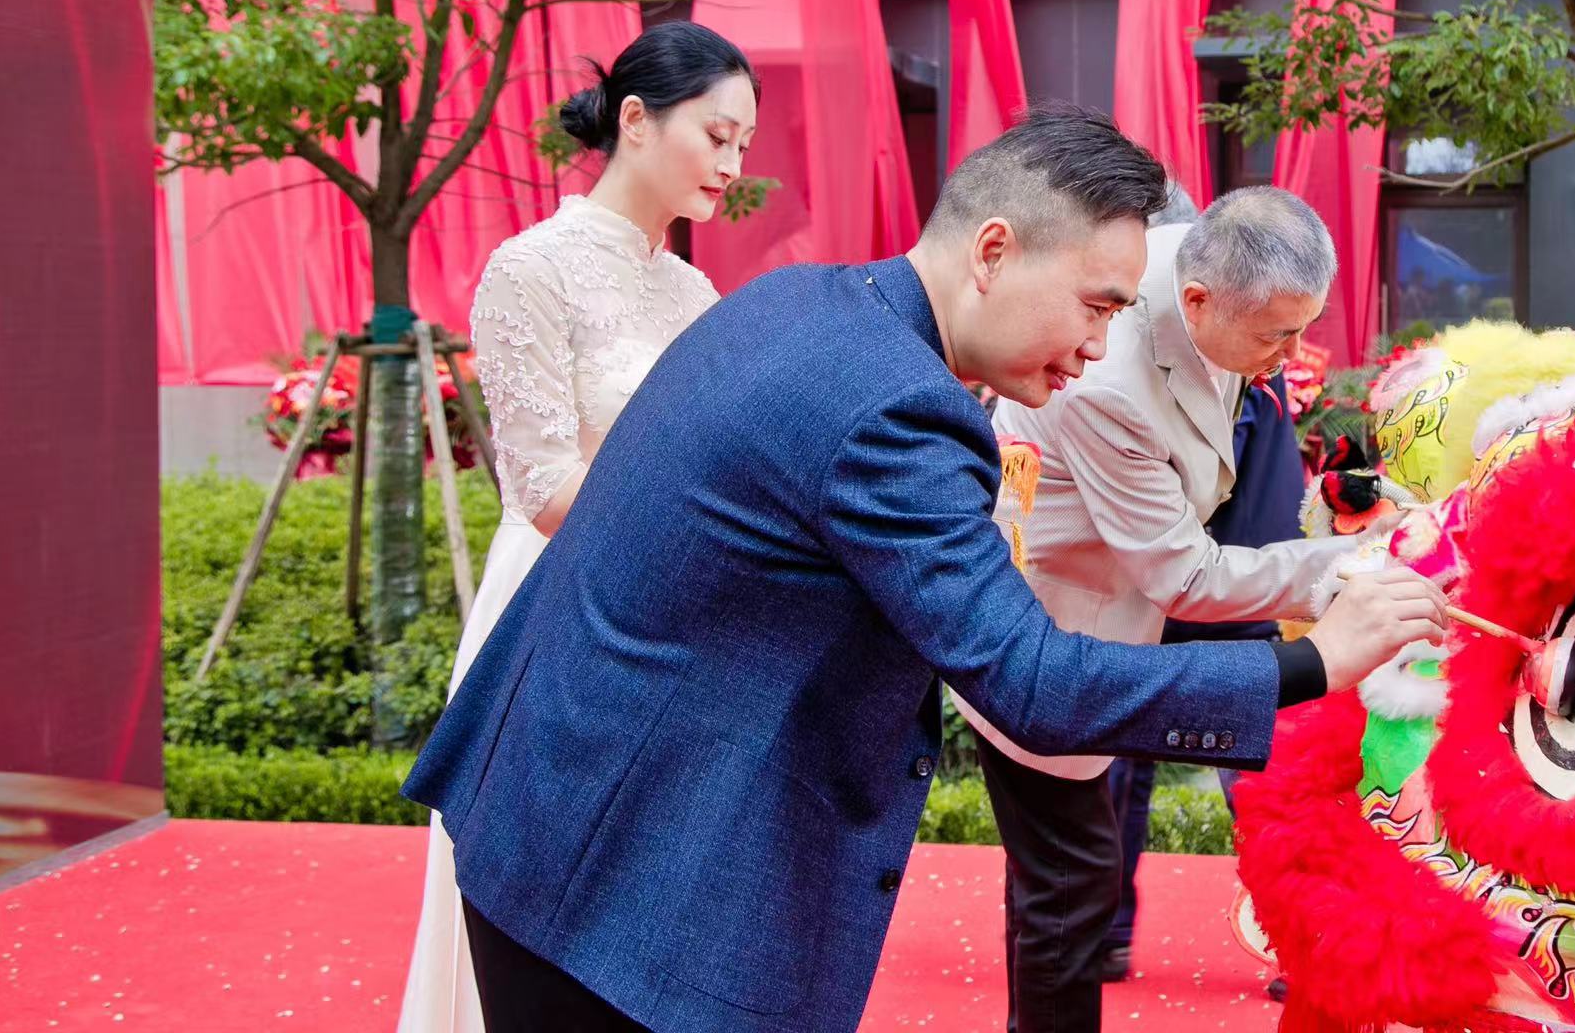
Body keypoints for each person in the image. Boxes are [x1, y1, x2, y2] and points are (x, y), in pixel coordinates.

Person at [400, 106, 1449, 1033]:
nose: (1098, 347)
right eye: (1094, 306)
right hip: (629, 870)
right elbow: (1035, 683)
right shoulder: (898, 414)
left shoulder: (805, 300)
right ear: (993, 251)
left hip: (559, 797)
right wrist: (1317, 660)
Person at [395, 20, 756, 1033]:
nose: (732, 163)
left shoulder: (693, 290)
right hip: (552, 606)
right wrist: (694, 536)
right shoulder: (529, 268)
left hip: (672, 613)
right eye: (717, 135)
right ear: (635, 119)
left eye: (743, 144)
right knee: (533, 887)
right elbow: (543, 481)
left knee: (641, 887)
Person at [956, 186, 1380, 1031]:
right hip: (1059, 622)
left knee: (1071, 873)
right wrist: (1354, 564)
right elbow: (1184, 578)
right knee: (1071, 881)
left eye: (1301, 329)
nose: (1291, 356)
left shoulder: (1207, 263)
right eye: (1275, 337)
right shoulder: (1106, 382)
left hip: (1133, 583)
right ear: (1195, 300)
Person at [1100, 371, 1307, 989]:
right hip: (1221, 585)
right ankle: (1301, 945)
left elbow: (1207, 478)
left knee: (1247, 780)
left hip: (1216, 584)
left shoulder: (1230, 364)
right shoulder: (1248, 356)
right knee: (1256, 783)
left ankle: (1105, 933)